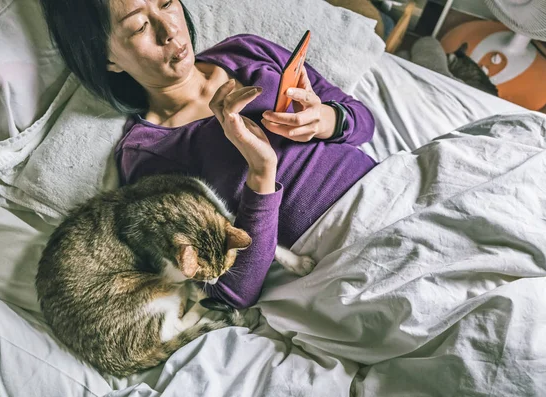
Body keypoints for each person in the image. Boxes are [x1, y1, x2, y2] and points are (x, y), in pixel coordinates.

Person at [40, 0, 377, 308]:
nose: (170, 30)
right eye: (139, 26)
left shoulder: (245, 51)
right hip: (339, 244)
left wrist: (326, 120)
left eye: (167, 3)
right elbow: (232, 291)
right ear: (108, 58)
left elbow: (363, 121)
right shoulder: (150, 153)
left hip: (389, 182)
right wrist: (261, 172)